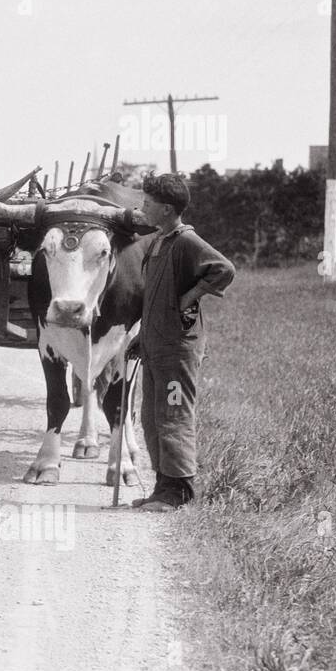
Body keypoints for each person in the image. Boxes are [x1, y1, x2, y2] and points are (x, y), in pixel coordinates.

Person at [132, 173, 235, 512]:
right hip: (155, 346)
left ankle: (178, 491)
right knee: (151, 418)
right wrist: (140, 337)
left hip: (178, 349)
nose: (142, 207)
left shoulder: (186, 241)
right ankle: (162, 487)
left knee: (173, 416)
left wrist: (189, 297)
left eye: (147, 203)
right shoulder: (159, 241)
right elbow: (155, 298)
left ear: (165, 209)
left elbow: (224, 269)